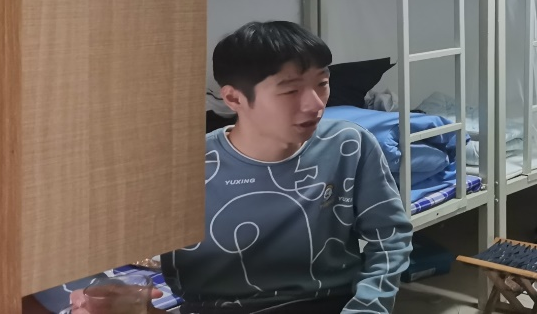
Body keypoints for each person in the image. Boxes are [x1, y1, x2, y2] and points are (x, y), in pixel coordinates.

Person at [65, 21, 413, 314]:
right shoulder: (185, 167)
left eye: (322, 83)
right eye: (290, 91)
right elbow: (88, 245)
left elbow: (390, 239)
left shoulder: (348, 144)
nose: (315, 104)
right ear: (233, 98)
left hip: (329, 303)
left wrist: (366, 308)